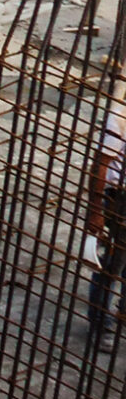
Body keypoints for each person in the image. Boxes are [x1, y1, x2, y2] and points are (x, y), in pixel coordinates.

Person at [92, 103, 126, 351]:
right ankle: (101, 322)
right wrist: (95, 211)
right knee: (113, 263)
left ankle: (122, 316)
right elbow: (100, 165)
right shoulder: (119, 117)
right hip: (120, 199)